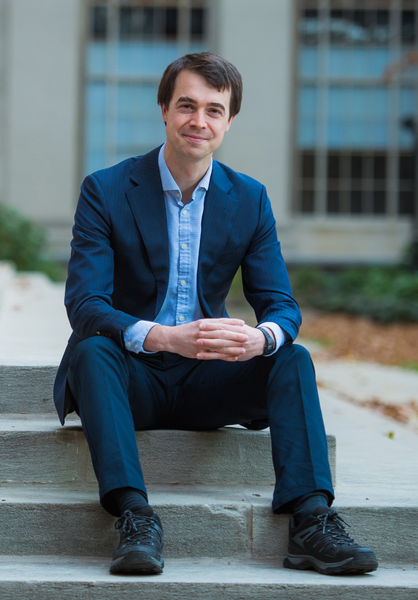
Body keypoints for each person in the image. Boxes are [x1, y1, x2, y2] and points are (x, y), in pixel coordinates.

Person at [53, 51, 377, 577]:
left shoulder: (249, 199)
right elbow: (85, 305)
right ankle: (135, 516)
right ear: (163, 109)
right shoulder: (107, 190)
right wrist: (162, 337)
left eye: (214, 110)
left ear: (229, 121)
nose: (198, 121)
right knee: (92, 351)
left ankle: (312, 522)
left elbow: (282, 306)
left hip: (208, 380)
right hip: (130, 379)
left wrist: (260, 339)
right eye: (186, 105)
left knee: (290, 358)